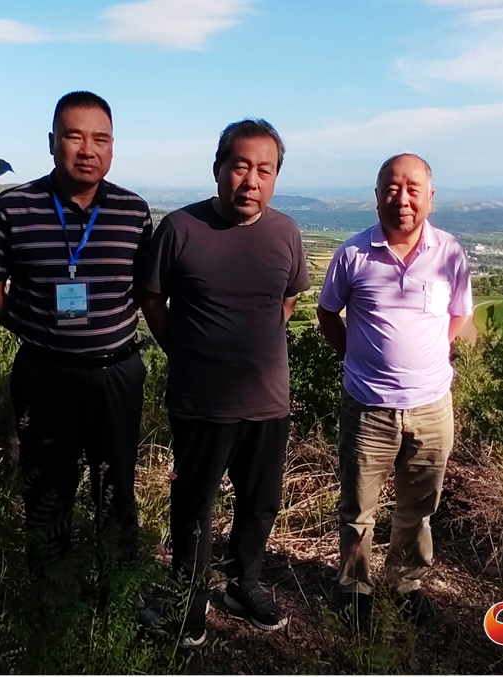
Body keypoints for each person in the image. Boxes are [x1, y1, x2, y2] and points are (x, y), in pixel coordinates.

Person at [141, 119, 310, 646]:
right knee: (195, 506)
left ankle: (243, 585)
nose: (251, 180)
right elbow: (152, 299)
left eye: (265, 170)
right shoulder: (180, 228)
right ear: (218, 169)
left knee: (260, 502)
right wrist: (187, 351)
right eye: (240, 166)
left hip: (268, 400)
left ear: (275, 177)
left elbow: (286, 300)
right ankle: (186, 604)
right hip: (201, 400)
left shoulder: (286, 232)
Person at [0, 91, 152, 577]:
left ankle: (117, 594)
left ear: (112, 147)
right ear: (52, 142)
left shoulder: (133, 212)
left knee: (117, 489)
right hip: (44, 374)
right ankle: (51, 597)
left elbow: (145, 289)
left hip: (116, 373)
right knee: (47, 491)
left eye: (100, 139)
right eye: (74, 137)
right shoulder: (14, 207)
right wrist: (37, 328)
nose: (88, 150)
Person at [316, 153, 472, 627]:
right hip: (367, 406)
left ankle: (406, 584)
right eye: (392, 188)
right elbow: (327, 313)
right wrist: (357, 358)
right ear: (377, 195)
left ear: (430, 197)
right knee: (357, 508)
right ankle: (354, 588)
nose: (402, 199)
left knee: (418, 508)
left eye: (412, 189)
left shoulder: (450, 253)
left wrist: (430, 358)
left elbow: (459, 314)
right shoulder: (353, 255)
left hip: (431, 407)